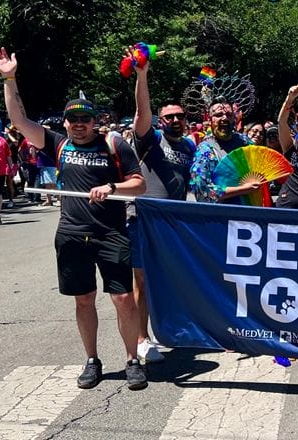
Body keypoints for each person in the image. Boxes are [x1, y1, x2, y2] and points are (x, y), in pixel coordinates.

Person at [0, 47, 148, 390]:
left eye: (85, 119)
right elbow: (19, 120)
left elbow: (139, 184)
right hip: (72, 234)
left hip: (112, 233)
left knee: (123, 298)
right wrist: (9, 78)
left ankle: (133, 358)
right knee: (84, 299)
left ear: (95, 121)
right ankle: (92, 360)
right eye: (73, 120)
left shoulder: (113, 144)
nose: (79, 125)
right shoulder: (58, 145)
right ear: (65, 123)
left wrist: (112, 186)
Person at [127, 54, 196, 364]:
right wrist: (143, 77)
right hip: (142, 218)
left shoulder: (190, 146)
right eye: (169, 117)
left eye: (180, 116)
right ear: (160, 121)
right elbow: (142, 113)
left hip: (173, 223)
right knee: (141, 280)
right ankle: (142, 339)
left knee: (167, 279)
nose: (175, 121)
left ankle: (171, 330)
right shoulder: (149, 139)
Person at [190, 98, 255, 204]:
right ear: (210, 119)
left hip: (249, 211)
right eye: (219, 115)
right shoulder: (205, 150)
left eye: (229, 115)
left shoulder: (245, 142)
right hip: (221, 215)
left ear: (234, 118)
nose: (224, 118)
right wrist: (243, 189)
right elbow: (202, 191)